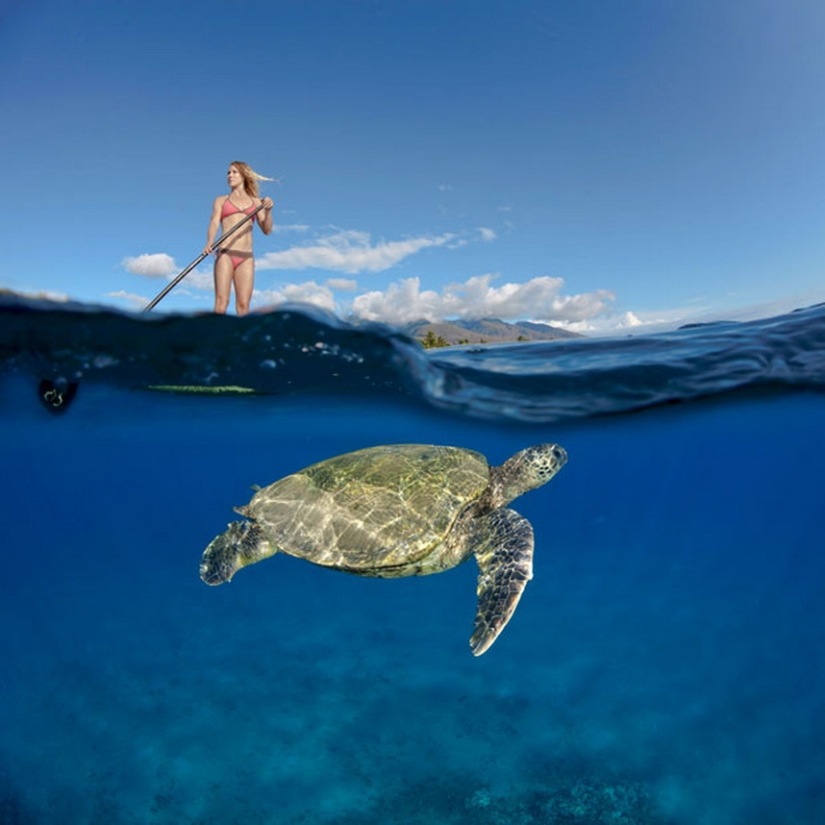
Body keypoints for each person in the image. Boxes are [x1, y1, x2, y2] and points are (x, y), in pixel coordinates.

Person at [204, 161, 274, 315]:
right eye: (228, 172)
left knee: (243, 306)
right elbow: (214, 223)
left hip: (246, 257)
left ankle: (240, 339)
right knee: (222, 302)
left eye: (234, 172)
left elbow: (267, 230)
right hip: (225, 253)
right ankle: (214, 337)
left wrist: (268, 211)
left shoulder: (256, 202)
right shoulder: (221, 200)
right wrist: (209, 243)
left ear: (244, 176)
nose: (230, 175)